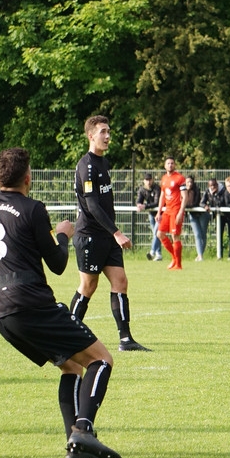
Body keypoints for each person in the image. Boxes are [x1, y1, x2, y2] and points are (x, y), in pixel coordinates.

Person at [0, 148, 122, 458]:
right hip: (30, 304)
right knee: (102, 360)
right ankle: (83, 429)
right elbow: (56, 264)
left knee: (70, 366)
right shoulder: (33, 209)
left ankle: (77, 446)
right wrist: (62, 235)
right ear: (28, 177)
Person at [69, 115, 150, 352]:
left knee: (120, 282)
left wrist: (112, 233)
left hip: (106, 235)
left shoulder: (104, 163)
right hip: (91, 237)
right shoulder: (87, 166)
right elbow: (92, 206)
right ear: (91, 135)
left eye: (108, 131)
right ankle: (69, 333)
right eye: (103, 132)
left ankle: (126, 339)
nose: (107, 136)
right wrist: (117, 232)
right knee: (88, 286)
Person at [156, 157, 189, 269]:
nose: (170, 165)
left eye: (172, 163)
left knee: (175, 236)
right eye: (168, 163)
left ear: (174, 165)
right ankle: (174, 257)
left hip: (176, 210)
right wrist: (159, 211)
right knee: (160, 234)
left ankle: (178, 265)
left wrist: (181, 212)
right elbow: (162, 196)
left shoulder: (179, 178)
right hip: (167, 211)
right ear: (165, 166)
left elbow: (185, 197)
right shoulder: (164, 178)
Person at [135, 172, 162, 261]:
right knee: (156, 234)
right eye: (146, 180)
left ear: (152, 180)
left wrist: (145, 206)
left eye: (150, 179)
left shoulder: (157, 188)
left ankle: (152, 252)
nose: (148, 182)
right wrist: (139, 205)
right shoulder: (142, 190)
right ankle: (158, 254)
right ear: (144, 181)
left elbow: (157, 202)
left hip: (160, 214)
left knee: (156, 233)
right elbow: (139, 200)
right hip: (151, 214)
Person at [183, 176, 208, 261]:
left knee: (203, 235)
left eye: (191, 182)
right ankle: (200, 256)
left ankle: (200, 254)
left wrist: (184, 206)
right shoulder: (182, 191)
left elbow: (194, 203)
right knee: (197, 235)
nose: (189, 184)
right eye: (188, 182)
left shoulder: (196, 190)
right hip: (192, 215)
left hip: (202, 214)